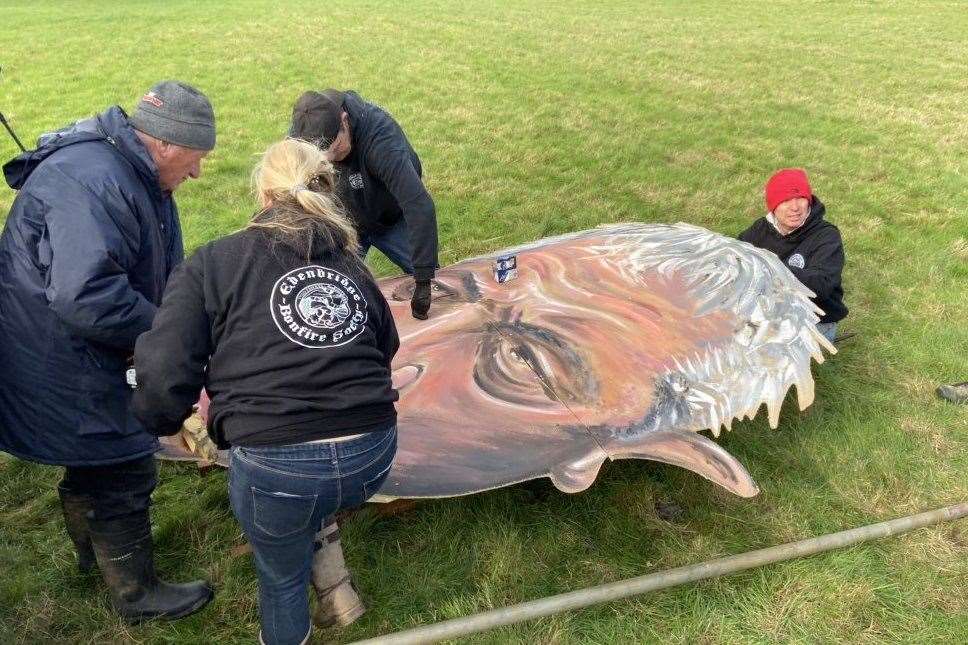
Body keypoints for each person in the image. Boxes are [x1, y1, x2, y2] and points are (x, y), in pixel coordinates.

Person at [131, 138, 400, 645]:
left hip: (279, 468)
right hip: (373, 455)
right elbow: (387, 345)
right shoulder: (352, 263)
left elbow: (164, 370)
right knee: (309, 496)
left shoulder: (213, 263)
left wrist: (158, 418)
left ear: (262, 194)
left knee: (281, 576)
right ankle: (333, 576)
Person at [0, 81, 216, 621]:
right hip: (62, 356)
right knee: (122, 463)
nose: (198, 174)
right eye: (196, 157)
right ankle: (137, 596)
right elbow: (87, 295)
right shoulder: (98, 182)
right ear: (165, 143)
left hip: (60, 346)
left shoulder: (125, 170)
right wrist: (169, 331)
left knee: (93, 461)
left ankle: (90, 558)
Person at [288, 89, 439, 320]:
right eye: (322, 159)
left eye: (335, 149)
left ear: (344, 121)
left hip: (391, 217)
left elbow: (418, 205)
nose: (330, 161)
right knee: (331, 290)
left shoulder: (381, 141)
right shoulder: (305, 133)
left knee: (437, 287)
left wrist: (423, 280)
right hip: (346, 222)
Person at [738, 168, 847, 342]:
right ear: (773, 206)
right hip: (769, 312)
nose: (795, 207)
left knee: (765, 352)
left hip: (812, 320)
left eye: (801, 198)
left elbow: (821, 284)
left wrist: (772, 267)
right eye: (786, 200)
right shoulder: (761, 229)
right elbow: (738, 256)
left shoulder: (826, 235)